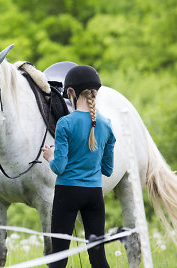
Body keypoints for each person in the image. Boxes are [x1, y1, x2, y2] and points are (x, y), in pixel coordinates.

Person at [41, 65, 116, 268]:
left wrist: (49, 156)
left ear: (71, 92)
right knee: (98, 257)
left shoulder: (65, 123)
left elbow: (59, 167)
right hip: (94, 194)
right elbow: (108, 169)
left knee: (58, 257)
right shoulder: (107, 124)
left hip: (67, 193)